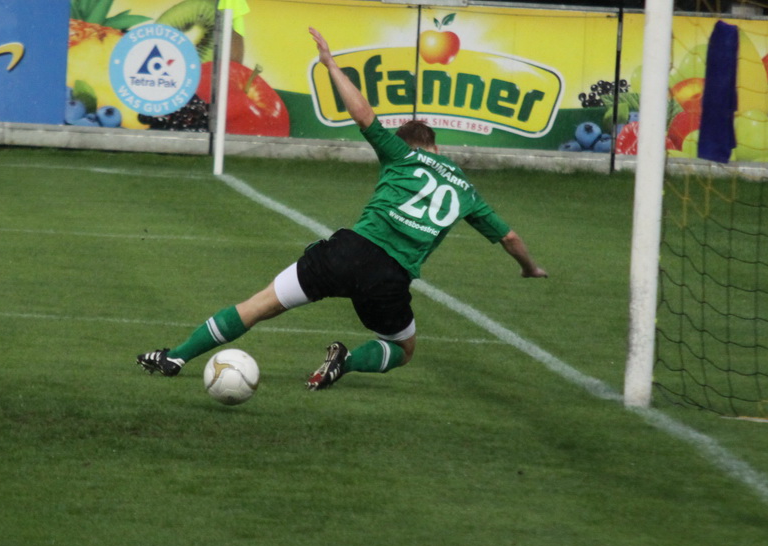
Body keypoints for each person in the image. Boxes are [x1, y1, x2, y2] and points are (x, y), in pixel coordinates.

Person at [137, 27, 548, 390]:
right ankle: (346, 361)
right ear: (436, 147)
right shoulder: (466, 190)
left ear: (405, 144)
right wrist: (529, 267)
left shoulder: (401, 154)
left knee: (259, 305)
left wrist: (331, 65)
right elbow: (509, 238)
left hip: (346, 251)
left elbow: (364, 115)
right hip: (388, 278)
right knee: (403, 349)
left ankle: (176, 357)